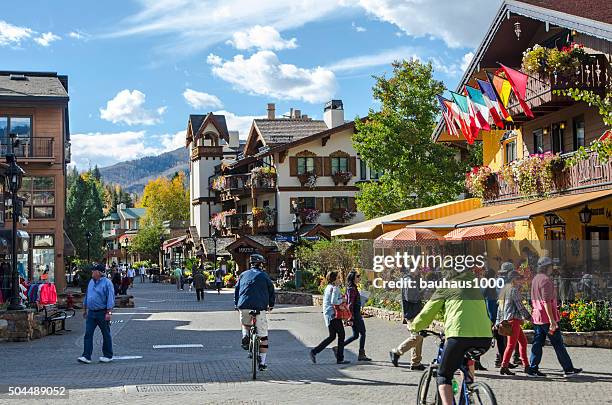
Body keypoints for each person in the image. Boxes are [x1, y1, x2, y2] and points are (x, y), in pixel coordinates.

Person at [411, 270, 492, 405]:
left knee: (443, 375)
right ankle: (470, 392)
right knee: (466, 363)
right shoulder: (474, 287)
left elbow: (427, 313)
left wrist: (413, 327)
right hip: (485, 338)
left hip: (458, 336)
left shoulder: (446, 287)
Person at [528, 257, 582, 378]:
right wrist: (552, 320)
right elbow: (546, 302)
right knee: (558, 344)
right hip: (547, 318)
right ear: (547, 267)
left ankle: (533, 369)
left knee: (537, 343)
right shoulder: (546, 280)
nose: (553, 268)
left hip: (537, 317)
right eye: (551, 266)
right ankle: (568, 369)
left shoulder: (536, 279)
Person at [234, 254, 275, 371]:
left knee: (245, 324)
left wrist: (236, 304)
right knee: (263, 336)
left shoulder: (243, 275)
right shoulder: (264, 276)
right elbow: (271, 290)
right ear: (261, 265)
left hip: (244, 305)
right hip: (259, 307)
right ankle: (262, 362)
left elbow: (237, 290)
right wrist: (271, 305)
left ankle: (245, 335)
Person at [496, 270, 532, 376]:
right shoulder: (514, 291)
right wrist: (529, 317)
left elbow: (500, 308)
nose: (521, 281)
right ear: (514, 280)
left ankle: (526, 366)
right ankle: (504, 366)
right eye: (519, 279)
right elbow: (520, 306)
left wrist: (498, 321)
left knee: (523, 342)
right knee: (511, 345)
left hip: (508, 321)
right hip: (513, 321)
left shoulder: (505, 290)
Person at [310, 271, 350, 365]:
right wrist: (342, 300)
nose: (340, 279)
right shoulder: (335, 288)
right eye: (338, 278)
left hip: (328, 314)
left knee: (332, 336)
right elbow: (334, 301)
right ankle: (340, 358)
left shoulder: (328, 287)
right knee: (342, 335)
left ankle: (314, 352)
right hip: (334, 315)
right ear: (334, 279)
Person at [390, 268, 425, 370]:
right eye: (418, 267)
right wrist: (423, 292)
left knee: (419, 337)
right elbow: (411, 297)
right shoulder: (408, 281)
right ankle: (397, 352)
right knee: (417, 337)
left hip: (413, 312)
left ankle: (415, 362)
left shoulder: (410, 279)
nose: (420, 269)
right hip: (412, 313)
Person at [78, 264, 115, 364]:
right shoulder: (91, 282)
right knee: (88, 334)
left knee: (106, 333)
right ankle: (86, 356)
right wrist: (85, 309)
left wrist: (109, 313)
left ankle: (108, 355)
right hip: (91, 312)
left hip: (102, 312)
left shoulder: (107, 283)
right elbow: (87, 296)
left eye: (93, 271)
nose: (92, 272)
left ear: (99, 272)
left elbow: (111, 299)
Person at [342, 270, 371, 361]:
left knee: (355, 335)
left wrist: (362, 301)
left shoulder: (353, 288)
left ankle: (339, 347)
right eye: (357, 276)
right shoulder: (351, 289)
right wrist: (350, 318)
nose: (359, 278)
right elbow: (350, 304)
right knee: (363, 333)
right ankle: (361, 354)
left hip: (355, 314)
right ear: (353, 278)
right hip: (355, 315)